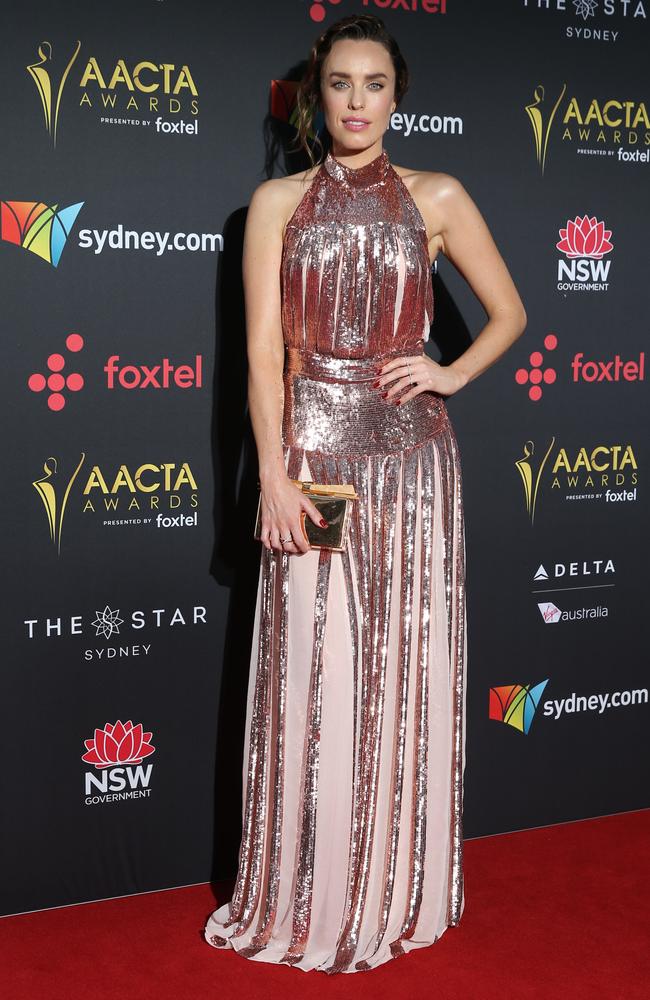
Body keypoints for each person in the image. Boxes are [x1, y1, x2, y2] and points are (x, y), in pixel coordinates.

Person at [204, 14, 526, 974]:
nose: (354, 102)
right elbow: (265, 354)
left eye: (373, 84)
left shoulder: (438, 195)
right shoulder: (275, 204)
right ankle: (312, 892)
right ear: (317, 93)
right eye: (339, 83)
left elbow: (510, 313)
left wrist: (449, 374)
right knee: (319, 670)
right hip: (317, 459)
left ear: (397, 94)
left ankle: (399, 885)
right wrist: (272, 472)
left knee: (405, 663)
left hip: (416, 468)